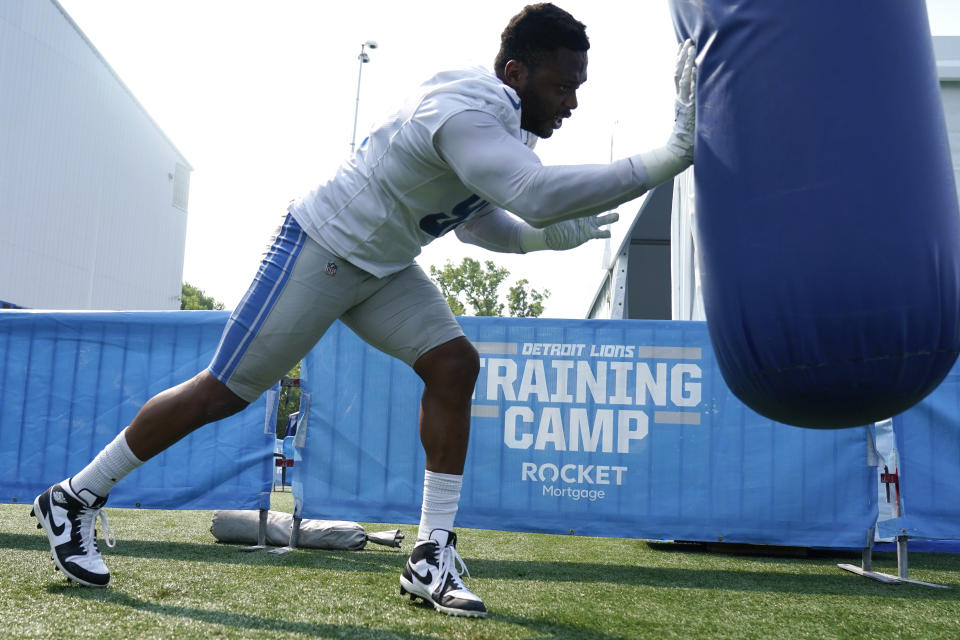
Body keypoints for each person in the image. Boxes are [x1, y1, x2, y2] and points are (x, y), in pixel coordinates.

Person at [31, 3, 696, 618]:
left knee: (454, 365)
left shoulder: (507, 126)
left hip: (382, 264)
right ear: (516, 72)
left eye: (578, 88)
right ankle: (74, 496)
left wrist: (534, 238)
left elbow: (475, 223)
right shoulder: (466, 103)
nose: (572, 102)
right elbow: (535, 192)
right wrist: (667, 157)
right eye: (563, 85)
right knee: (222, 393)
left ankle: (431, 555)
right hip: (322, 246)